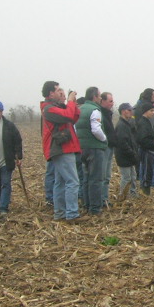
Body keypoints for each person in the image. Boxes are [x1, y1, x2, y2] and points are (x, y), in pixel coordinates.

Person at [41, 81, 83, 221]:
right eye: (58, 90)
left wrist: (73, 103)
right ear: (50, 93)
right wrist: (70, 101)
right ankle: (72, 214)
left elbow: (74, 117)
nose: (61, 93)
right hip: (62, 148)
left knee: (60, 182)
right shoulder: (49, 109)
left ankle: (59, 213)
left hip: (63, 148)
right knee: (72, 181)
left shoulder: (56, 107)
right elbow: (68, 116)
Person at [75, 86, 109, 216]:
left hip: (81, 148)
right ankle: (95, 208)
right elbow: (96, 129)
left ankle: (86, 204)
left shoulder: (80, 109)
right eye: (99, 96)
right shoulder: (95, 110)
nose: (100, 98)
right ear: (94, 97)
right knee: (96, 179)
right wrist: (104, 139)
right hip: (94, 148)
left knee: (86, 178)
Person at [114, 103, 140, 199]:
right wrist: (132, 153)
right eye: (129, 110)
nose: (131, 112)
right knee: (126, 178)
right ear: (123, 111)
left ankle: (132, 194)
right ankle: (123, 196)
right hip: (124, 156)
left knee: (133, 176)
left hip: (129, 156)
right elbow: (122, 143)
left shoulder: (127, 124)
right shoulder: (121, 125)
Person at [135, 101, 154, 195]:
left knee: (148, 171)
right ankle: (145, 191)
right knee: (146, 171)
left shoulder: (146, 121)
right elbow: (142, 139)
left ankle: (146, 190)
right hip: (146, 151)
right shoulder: (143, 123)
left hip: (149, 150)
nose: (153, 113)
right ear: (145, 111)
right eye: (151, 111)